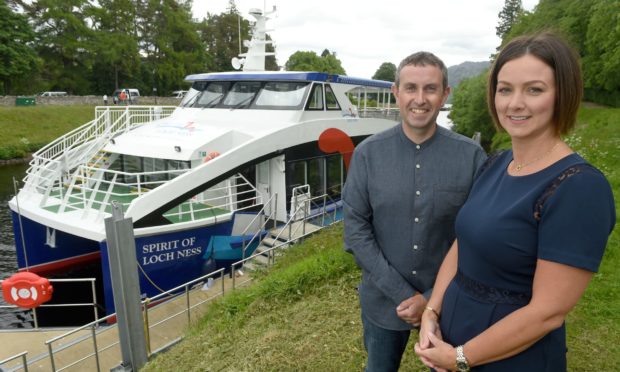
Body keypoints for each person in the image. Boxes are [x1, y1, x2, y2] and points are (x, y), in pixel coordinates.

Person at [414, 32, 616, 371]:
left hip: (512, 358)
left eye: (534, 89)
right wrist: (432, 312)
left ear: (562, 95)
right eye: (505, 89)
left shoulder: (578, 187)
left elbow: (547, 313)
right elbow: (464, 244)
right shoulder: (496, 163)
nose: (514, 103)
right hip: (452, 337)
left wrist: (459, 358)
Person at [343, 51, 487, 372]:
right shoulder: (367, 155)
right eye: (411, 88)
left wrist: (431, 299)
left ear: (445, 94)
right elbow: (356, 230)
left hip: (450, 302)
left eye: (430, 89)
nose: (419, 99)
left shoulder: (472, 157)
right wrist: (405, 294)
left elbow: (477, 236)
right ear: (396, 92)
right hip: (382, 303)